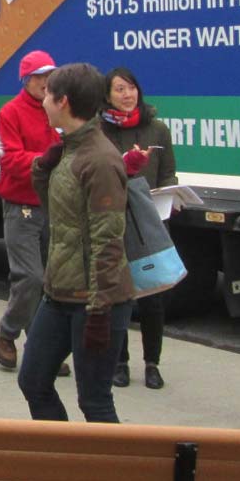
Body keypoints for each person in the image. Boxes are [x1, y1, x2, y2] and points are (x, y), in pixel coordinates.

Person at [17, 63, 134, 423]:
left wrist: (99, 310)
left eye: (49, 94)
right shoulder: (69, 150)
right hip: (59, 294)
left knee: (94, 400)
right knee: (33, 380)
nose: (44, 100)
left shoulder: (99, 160)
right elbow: (56, 211)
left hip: (95, 302)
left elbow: (108, 241)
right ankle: (61, 461)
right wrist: (43, 168)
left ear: (63, 101)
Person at [99, 67, 177, 390]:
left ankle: (152, 363)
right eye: (119, 89)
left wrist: (169, 193)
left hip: (150, 220)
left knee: (152, 295)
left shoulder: (157, 129)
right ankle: (120, 363)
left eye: (131, 88)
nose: (127, 95)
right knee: (119, 296)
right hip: (114, 220)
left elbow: (169, 171)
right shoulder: (100, 131)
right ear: (107, 96)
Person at [0, 50, 65, 373]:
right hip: (21, 203)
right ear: (26, 79)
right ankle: (6, 333)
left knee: (51, 280)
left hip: (54, 203)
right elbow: (9, 159)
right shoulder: (11, 112)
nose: (45, 82)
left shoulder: (62, 107)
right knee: (30, 277)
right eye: (39, 76)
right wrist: (45, 160)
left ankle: (39, 348)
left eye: (49, 75)